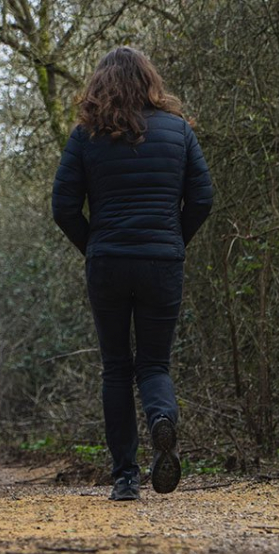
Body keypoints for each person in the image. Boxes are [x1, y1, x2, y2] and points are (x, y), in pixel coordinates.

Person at [51, 46, 213, 501]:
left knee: (117, 368)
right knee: (154, 363)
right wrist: (173, 241)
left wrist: (94, 246)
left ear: (101, 84)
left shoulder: (87, 135)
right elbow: (202, 199)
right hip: (162, 262)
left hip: (108, 264)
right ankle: (162, 420)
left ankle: (125, 477)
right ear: (149, 80)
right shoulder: (178, 131)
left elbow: (63, 206)